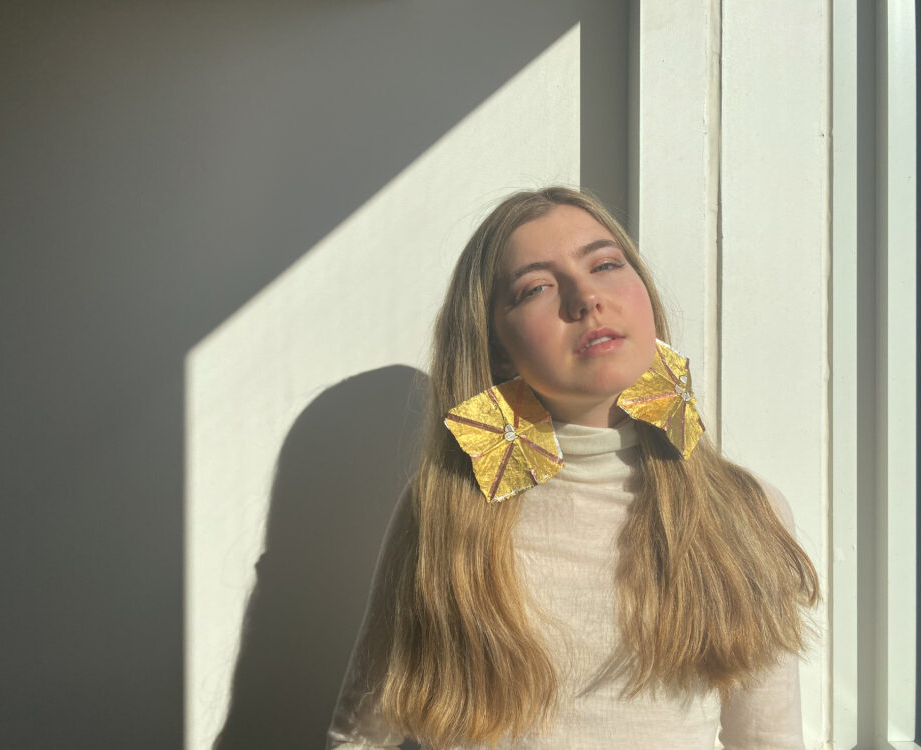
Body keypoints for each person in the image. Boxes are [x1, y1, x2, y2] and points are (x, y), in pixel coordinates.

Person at [326, 186, 819, 750]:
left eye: (606, 264)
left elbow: (769, 742)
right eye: (536, 287)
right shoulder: (444, 509)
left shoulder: (745, 510)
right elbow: (360, 737)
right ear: (498, 347)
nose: (586, 297)